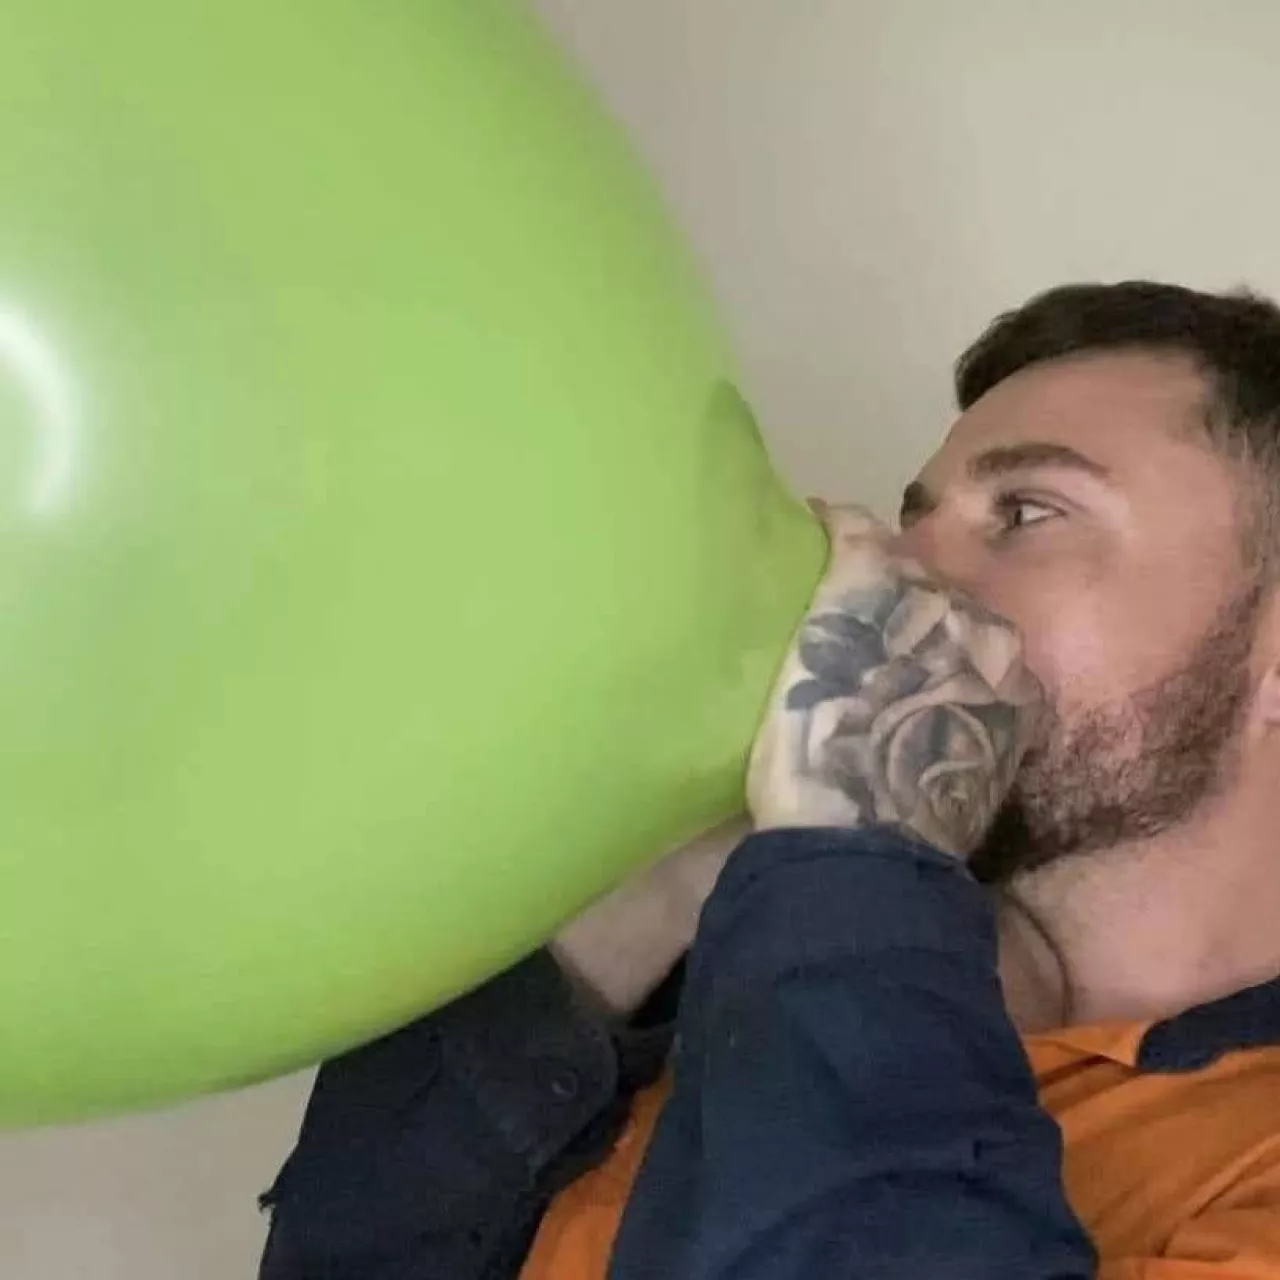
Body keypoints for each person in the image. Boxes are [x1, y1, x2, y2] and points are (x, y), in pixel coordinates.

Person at [259, 281, 1280, 1279]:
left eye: (1025, 511)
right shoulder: (751, 967)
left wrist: (858, 850)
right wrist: (668, 886)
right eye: (910, 519)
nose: (897, 571)